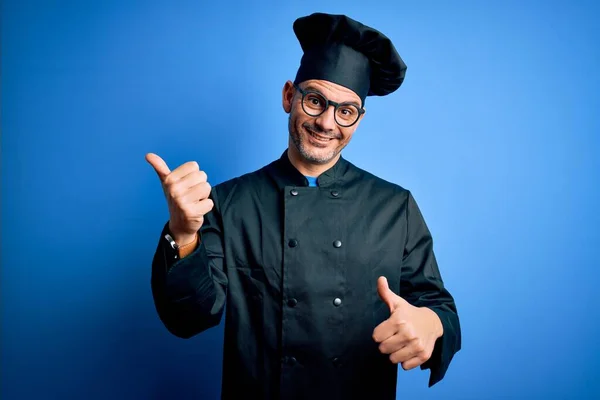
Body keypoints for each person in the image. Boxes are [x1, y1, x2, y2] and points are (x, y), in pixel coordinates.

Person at [146, 12, 461, 400]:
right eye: (314, 100)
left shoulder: (395, 207)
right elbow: (189, 318)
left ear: (358, 120)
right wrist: (183, 233)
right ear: (288, 97)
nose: (327, 122)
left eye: (345, 110)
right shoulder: (228, 203)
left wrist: (432, 324)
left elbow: (439, 307)